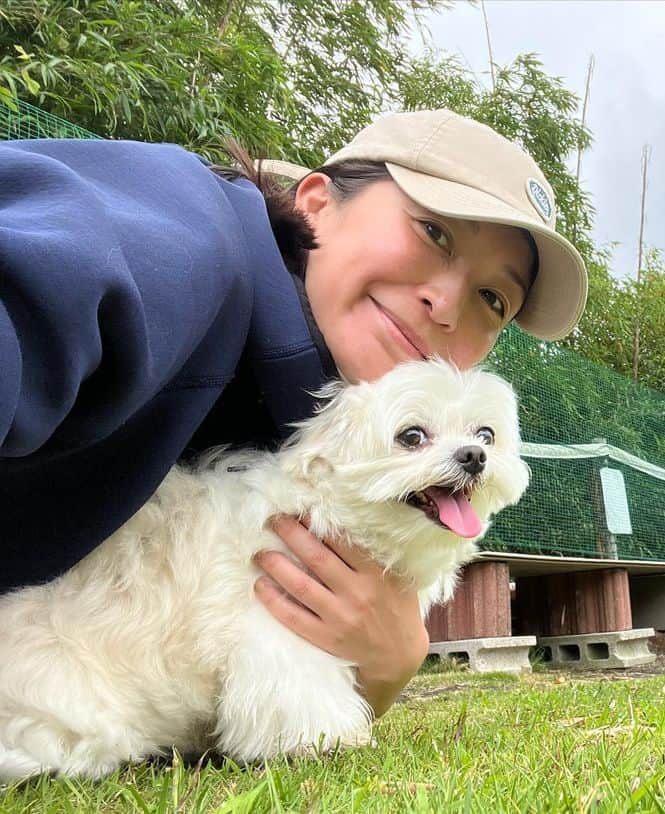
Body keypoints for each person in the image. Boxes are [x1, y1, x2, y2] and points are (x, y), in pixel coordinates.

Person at [0, 109, 588, 717]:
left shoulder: (314, 441)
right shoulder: (183, 235)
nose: (444, 305)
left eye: (492, 298)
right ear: (316, 202)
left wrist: (386, 666)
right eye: (434, 233)